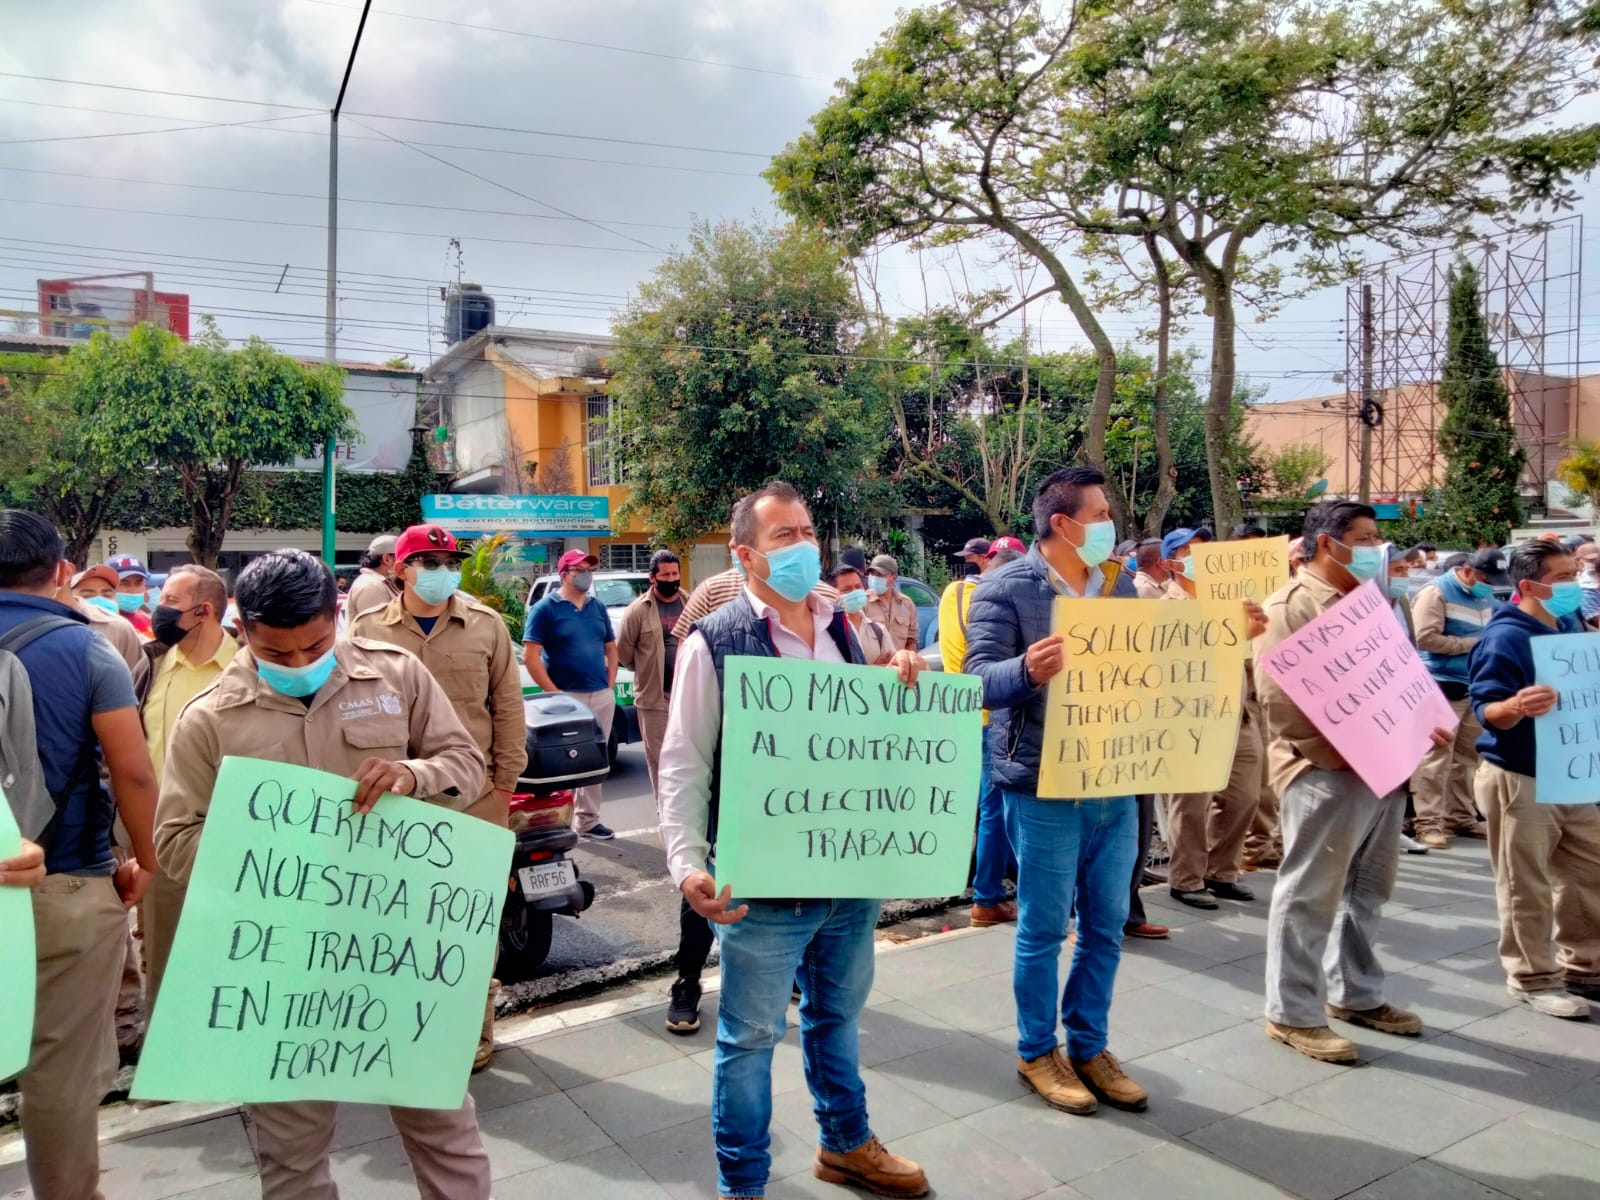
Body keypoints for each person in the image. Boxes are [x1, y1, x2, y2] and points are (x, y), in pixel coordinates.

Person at [156, 548, 493, 1200]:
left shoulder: (399, 677)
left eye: (314, 646)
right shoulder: (209, 718)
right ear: (241, 628)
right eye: (278, 655)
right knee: (291, 1157)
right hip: (281, 968)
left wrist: (415, 775)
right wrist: (271, 857)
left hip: (396, 951)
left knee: (446, 1131)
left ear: (336, 615)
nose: (300, 664)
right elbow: (173, 841)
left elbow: (465, 764)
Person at [658, 480, 931, 1200]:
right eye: (785, 537)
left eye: (808, 531)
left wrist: (904, 669)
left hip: (849, 877)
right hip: (766, 886)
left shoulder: (846, 625)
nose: (805, 546)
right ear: (745, 556)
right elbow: (684, 762)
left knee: (837, 1016)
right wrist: (687, 863)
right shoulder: (713, 643)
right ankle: (743, 1184)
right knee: (749, 1041)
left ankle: (846, 1145)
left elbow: (874, 719)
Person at [963, 465, 1150, 1117]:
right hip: (1040, 783)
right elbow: (976, 680)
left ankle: (1091, 1045)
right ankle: (1038, 1051)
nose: (1110, 526)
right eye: (1100, 516)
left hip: (1114, 777)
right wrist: (1028, 669)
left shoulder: (1119, 586)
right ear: (1064, 524)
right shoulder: (1004, 588)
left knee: (1105, 926)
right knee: (1044, 927)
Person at [1256, 500, 1452, 1064]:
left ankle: (1356, 995)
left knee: (1368, 890)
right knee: (1309, 894)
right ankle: (1291, 1013)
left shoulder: (1374, 603)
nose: (1375, 549)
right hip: (1325, 773)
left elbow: (1402, 675)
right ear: (1325, 543)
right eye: (1364, 538)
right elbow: (1280, 703)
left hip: (1388, 767)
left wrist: (1421, 724)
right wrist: (1341, 753)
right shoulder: (1289, 607)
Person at [0, 510, 159, 1200]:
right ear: (63, 571)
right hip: (70, 885)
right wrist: (144, 858)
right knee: (58, 1072)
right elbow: (133, 772)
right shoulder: (89, 650)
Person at [349, 523, 527, 1070]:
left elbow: (508, 709)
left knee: (468, 926)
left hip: (472, 801)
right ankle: (408, 1027)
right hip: (393, 804)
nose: (440, 571)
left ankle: (474, 1032)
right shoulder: (365, 629)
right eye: (426, 561)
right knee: (396, 925)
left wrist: (503, 788)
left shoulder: (486, 627)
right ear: (398, 570)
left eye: (447, 562)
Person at [1467, 539, 1600, 1020]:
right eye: (1563, 577)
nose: (1573, 585)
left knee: (1588, 873)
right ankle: (1532, 977)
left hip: (1573, 773)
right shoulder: (1504, 638)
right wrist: (1517, 706)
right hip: (1519, 777)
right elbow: (1486, 710)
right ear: (1527, 585)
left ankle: (1585, 966)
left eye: (1574, 573)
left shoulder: (1566, 623)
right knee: (1527, 884)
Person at [132, 563, 235, 1016]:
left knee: (236, 959)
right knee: (166, 964)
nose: (158, 609)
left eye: (170, 601)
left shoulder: (248, 665)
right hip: (165, 843)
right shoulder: (151, 665)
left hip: (241, 843)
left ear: (203, 611)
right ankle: (164, 1072)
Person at [616, 548, 710, 1034]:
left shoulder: (696, 603)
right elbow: (625, 652)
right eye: (666, 576)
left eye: (677, 575)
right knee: (664, 770)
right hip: (655, 699)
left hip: (690, 694)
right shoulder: (638, 612)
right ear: (653, 578)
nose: (672, 581)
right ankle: (671, 834)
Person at [1161, 531, 1267, 911]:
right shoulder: (1166, 607)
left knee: (1244, 797)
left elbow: (1250, 658)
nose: (1203, 558)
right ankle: (1186, 878)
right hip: (1192, 718)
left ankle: (1222, 872)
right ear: (1173, 563)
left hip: (1237, 714)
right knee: (1191, 803)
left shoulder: (1231, 603)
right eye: (1191, 553)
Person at [935, 538, 1020, 928]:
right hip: (993, 716)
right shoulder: (997, 601)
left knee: (982, 808)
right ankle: (986, 897)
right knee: (997, 811)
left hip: (961, 711)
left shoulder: (952, 593)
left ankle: (986, 890)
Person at [523, 549, 618, 840]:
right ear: (564, 573)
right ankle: (553, 820)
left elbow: (611, 647)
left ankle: (588, 821)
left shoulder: (597, 607)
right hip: (566, 700)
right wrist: (555, 695)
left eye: (590, 568)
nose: (587, 573)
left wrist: (610, 684)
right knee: (561, 761)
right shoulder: (546, 609)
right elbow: (531, 655)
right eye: (580, 568)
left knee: (594, 760)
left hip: (600, 694)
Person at [1411, 548, 1501, 849]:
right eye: (1484, 577)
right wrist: (1470, 645)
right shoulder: (1435, 593)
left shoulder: (1485, 595)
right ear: (1466, 570)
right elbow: (1424, 637)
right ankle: (1429, 823)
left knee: (1467, 758)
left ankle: (1460, 817)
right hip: (1443, 685)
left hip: (1474, 684)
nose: (1489, 584)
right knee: (1436, 759)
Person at [67, 565, 143, 673]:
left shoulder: (125, 631)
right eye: (88, 596)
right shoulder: (65, 631)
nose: (100, 599)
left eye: (107, 595)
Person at [832, 565, 896, 665]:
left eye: (858, 587)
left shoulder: (879, 631)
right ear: (834, 594)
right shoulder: (828, 632)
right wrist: (874, 668)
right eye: (847, 589)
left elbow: (893, 668)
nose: (855, 592)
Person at [865, 554, 919, 652]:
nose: (874, 578)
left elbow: (912, 638)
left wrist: (904, 658)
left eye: (880, 575)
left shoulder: (907, 604)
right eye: (872, 573)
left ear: (893, 578)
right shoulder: (863, 603)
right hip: (872, 666)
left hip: (898, 665)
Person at [343, 532, 399, 623]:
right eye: (402, 558)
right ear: (387, 559)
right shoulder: (372, 586)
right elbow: (377, 630)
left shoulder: (382, 583)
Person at [106, 553, 154, 637]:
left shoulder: (149, 622)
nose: (132, 590)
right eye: (124, 583)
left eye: (138, 583)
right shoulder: (99, 622)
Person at [1574, 540, 1600, 622]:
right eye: (1590, 560)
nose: (1594, 563)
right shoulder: (1586, 587)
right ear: (1578, 560)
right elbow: (1594, 618)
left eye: (1596, 559)